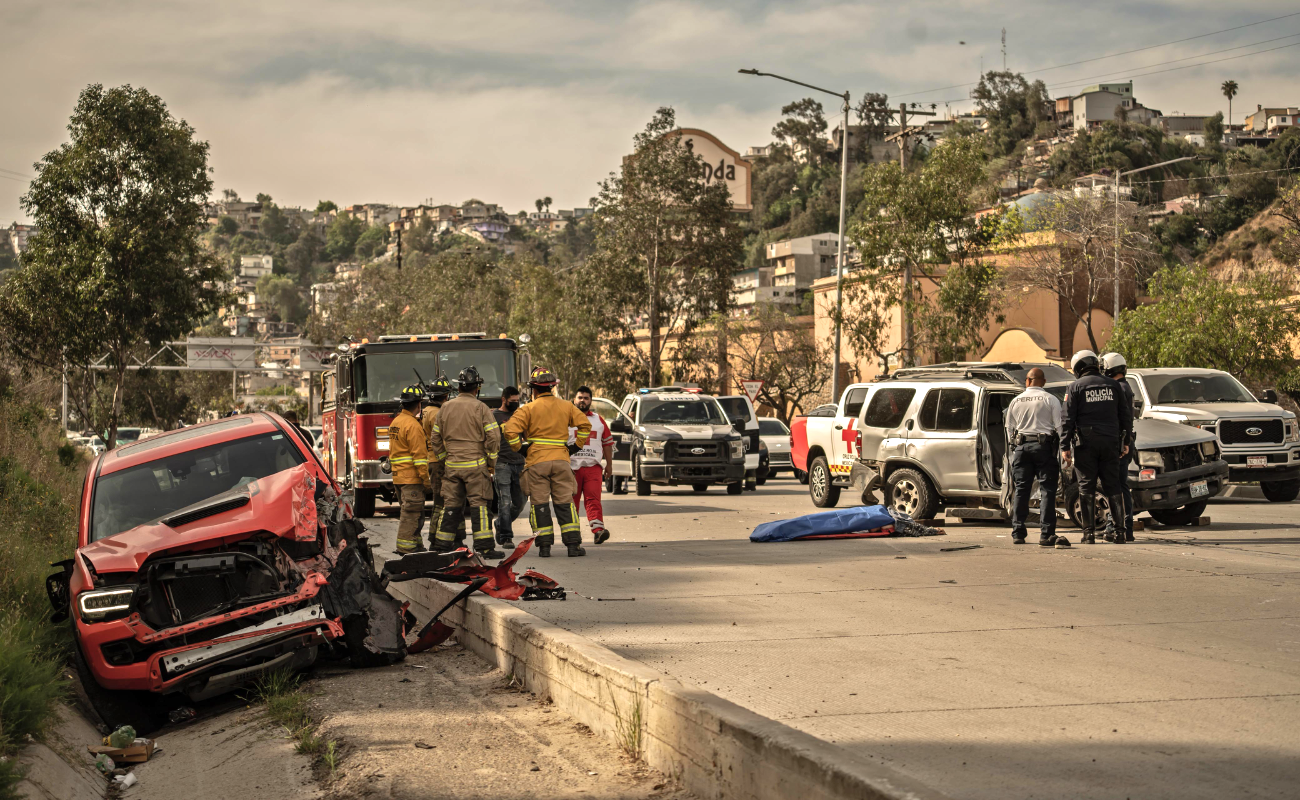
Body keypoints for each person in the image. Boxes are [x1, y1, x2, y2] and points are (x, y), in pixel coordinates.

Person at [502, 367, 591, 558]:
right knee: (565, 503)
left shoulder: (527, 409)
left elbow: (509, 430)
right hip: (561, 461)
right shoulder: (567, 406)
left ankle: (544, 547)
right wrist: (575, 446)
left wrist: (521, 448)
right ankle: (573, 546)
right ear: (552, 387)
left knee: (540, 505)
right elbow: (585, 425)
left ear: (533, 389)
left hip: (537, 462)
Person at [429, 367, 502, 558]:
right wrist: (491, 461)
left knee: (450, 506)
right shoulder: (481, 408)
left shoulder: (445, 407)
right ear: (476, 388)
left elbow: (435, 438)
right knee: (480, 505)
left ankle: (442, 546)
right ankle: (485, 548)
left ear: (459, 387)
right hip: (476, 466)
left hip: (452, 466)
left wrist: (445, 458)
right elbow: (494, 437)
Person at [1062, 350, 1132, 545]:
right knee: (1113, 486)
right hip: (1111, 442)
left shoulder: (1074, 387)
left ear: (1078, 368)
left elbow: (1068, 419)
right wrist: (1125, 442)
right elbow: (1125, 415)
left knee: (1086, 487)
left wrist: (1064, 446)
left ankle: (1089, 534)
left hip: (1086, 445)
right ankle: (1120, 533)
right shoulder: (1113, 385)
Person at [1004, 368, 1067, 548]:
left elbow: (1009, 428)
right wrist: (1064, 448)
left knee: (1022, 490)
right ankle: (1046, 534)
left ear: (1027, 381)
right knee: (1047, 490)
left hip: (1022, 448)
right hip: (1043, 447)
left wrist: (1015, 446)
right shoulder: (1050, 399)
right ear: (1044, 382)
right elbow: (1059, 427)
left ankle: (1018, 532)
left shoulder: (1016, 401)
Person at [390, 385, 432, 554]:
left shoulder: (396, 422)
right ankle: (405, 548)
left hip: (399, 478)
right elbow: (420, 457)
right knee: (411, 514)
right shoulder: (413, 425)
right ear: (418, 404)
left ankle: (416, 545)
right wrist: (426, 480)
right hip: (411, 479)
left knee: (414, 514)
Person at [571, 386, 615, 544]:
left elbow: (607, 443)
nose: (582, 400)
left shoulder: (598, 419)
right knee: (571, 502)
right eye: (580, 397)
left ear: (590, 401)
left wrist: (609, 465)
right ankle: (573, 535)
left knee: (593, 500)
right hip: (571, 469)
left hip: (593, 468)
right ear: (574, 399)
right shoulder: (565, 418)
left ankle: (598, 531)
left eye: (586, 398)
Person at [1101, 353, 1136, 542]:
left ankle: (1117, 526)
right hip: (1125, 441)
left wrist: (1123, 443)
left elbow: (1123, 420)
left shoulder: (1118, 388)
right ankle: (1124, 527)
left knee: (1117, 487)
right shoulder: (1125, 386)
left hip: (1120, 443)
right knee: (1121, 486)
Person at [492, 386, 527, 547]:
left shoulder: (520, 416)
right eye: (512, 401)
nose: (515, 404)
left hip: (520, 464)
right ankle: (506, 536)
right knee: (504, 502)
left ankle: (500, 523)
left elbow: (527, 437)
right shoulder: (494, 416)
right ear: (504, 400)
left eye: (517, 401)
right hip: (502, 464)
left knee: (519, 503)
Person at [420, 376, 453, 534]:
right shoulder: (439, 414)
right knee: (440, 501)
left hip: (427, 459)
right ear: (445, 396)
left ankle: (436, 533)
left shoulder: (424, 412)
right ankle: (436, 534)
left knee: (437, 499)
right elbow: (443, 440)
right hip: (438, 461)